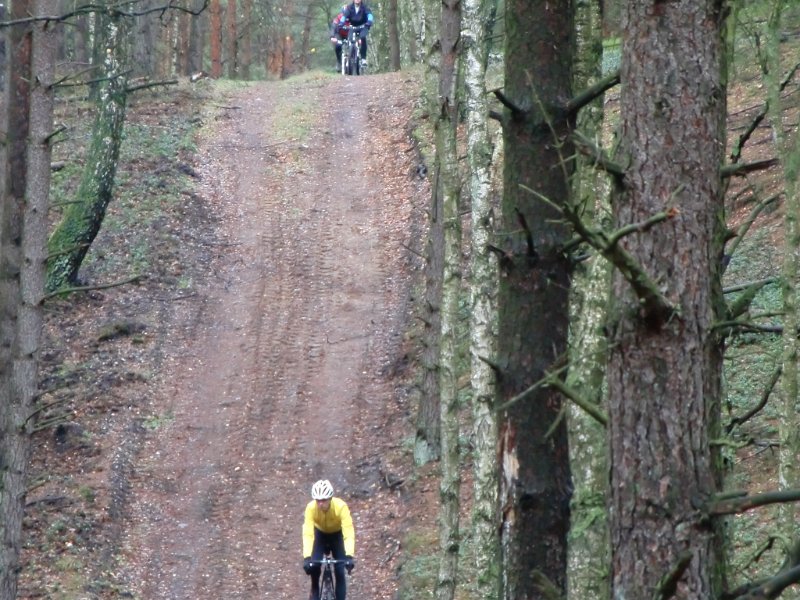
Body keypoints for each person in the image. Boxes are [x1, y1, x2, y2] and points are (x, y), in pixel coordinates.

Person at [302, 479, 355, 600]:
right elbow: (308, 533)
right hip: (319, 534)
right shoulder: (310, 508)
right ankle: (314, 589)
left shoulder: (341, 507)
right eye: (318, 500)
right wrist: (307, 557)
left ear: (330, 498)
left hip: (337, 535)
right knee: (314, 568)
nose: (320, 503)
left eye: (324, 500)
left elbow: (348, 531)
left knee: (340, 571)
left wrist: (349, 556)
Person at [341, 0, 374, 66]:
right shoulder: (349, 7)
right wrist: (341, 23)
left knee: (362, 37)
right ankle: (348, 56)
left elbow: (370, 15)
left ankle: (363, 59)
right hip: (352, 27)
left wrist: (369, 21)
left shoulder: (365, 7)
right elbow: (344, 16)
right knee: (349, 39)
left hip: (363, 26)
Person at [329, 5, 349, 71]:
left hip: (349, 34)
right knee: (338, 46)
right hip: (339, 34)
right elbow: (333, 27)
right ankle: (339, 62)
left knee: (353, 46)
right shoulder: (339, 17)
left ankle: (354, 61)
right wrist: (332, 36)